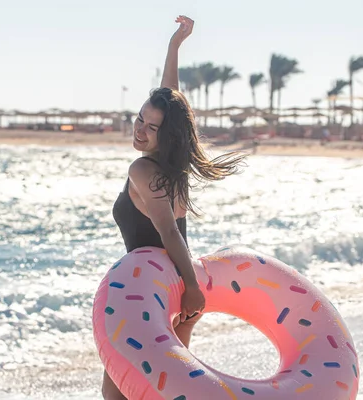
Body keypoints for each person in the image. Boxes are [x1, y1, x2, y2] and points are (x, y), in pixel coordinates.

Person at [102, 16, 248, 400]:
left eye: (150, 126)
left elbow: (168, 231)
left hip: (148, 294)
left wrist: (195, 290)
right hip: (174, 286)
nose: (139, 129)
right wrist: (174, 46)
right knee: (165, 391)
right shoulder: (174, 164)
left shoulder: (143, 170)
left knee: (117, 395)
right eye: (139, 118)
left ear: (165, 133)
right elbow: (170, 98)